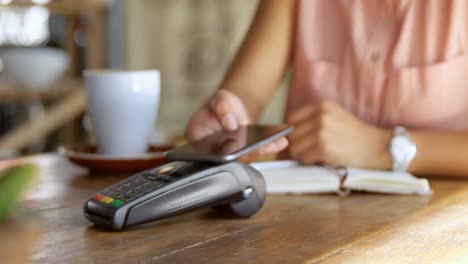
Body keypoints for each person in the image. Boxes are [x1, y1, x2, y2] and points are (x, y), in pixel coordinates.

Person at [186, 0, 468, 177]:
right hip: (298, 225)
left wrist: (383, 148)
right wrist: (228, 116)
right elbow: (246, 92)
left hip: (436, 231)